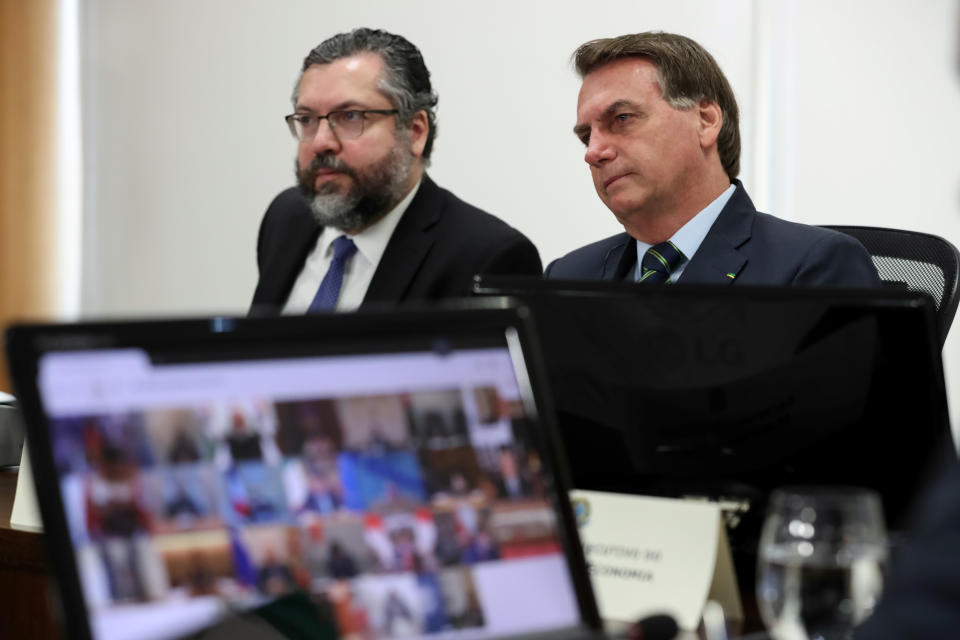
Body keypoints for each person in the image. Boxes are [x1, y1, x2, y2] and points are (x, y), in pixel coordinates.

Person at [545, 32, 879, 287]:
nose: (593, 152)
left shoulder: (813, 267)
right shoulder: (566, 277)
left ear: (705, 121)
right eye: (587, 136)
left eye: (622, 119)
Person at [251, 28, 542, 314]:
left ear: (415, 132)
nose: (321, 142)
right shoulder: (286, 218)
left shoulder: (488, 258)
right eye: (307, 119)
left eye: (350, 117)